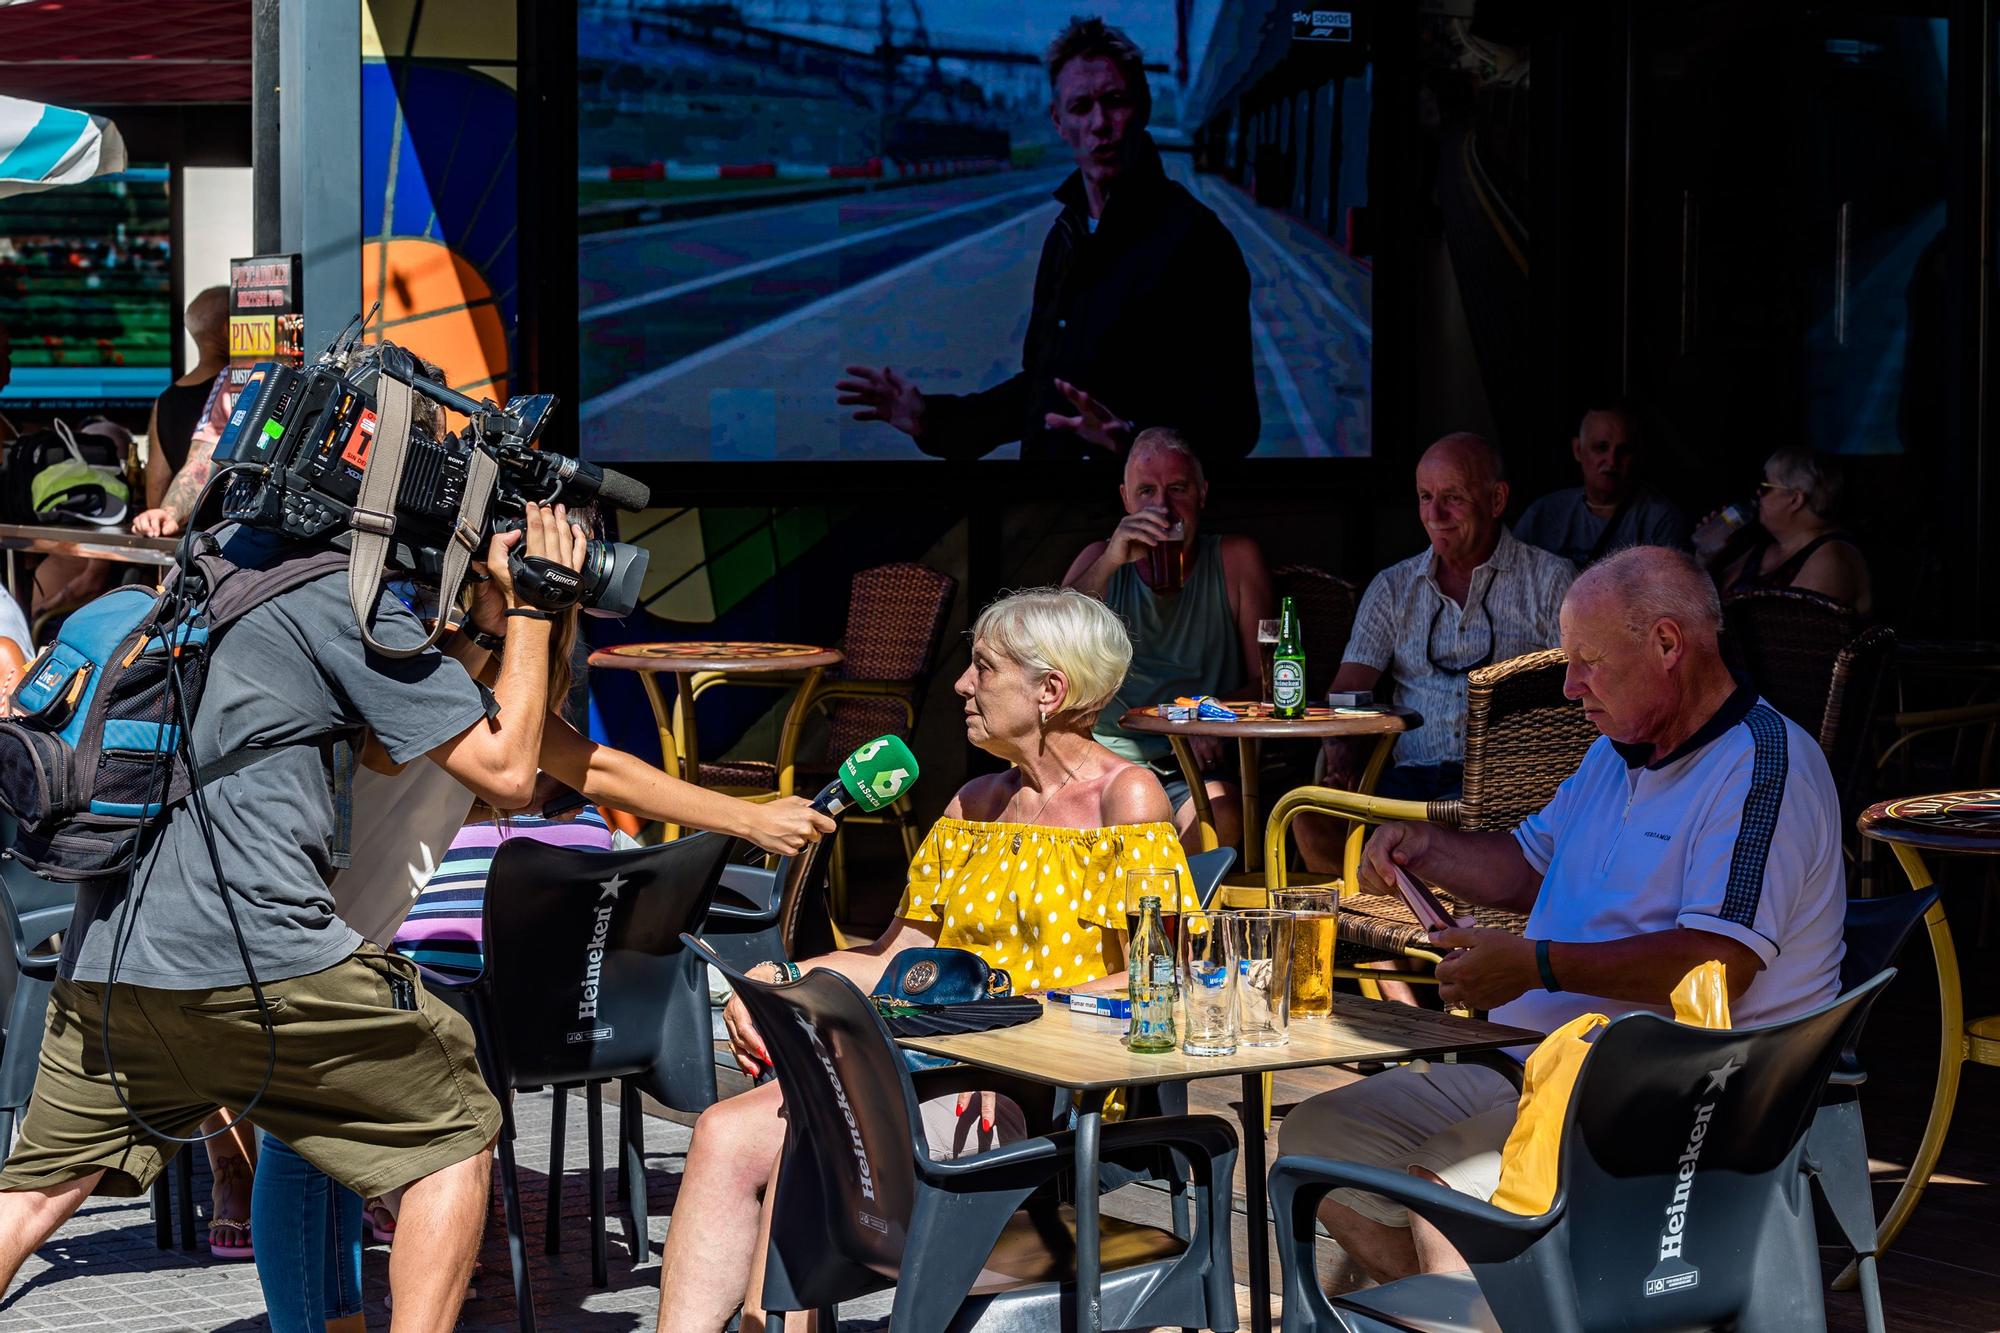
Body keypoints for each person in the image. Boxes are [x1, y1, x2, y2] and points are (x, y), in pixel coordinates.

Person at [0, 497, 589, 1328]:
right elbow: (508, 772)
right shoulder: (335, 594)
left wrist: (483, 622)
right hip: (269, 951)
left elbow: (391, 738)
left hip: (110, 953)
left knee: (25, 1202)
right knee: (457, 1133)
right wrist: (531, 606)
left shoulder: (199, 581)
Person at [1279, 547, 1847, 1286]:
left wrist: (1536, 964)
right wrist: (1427, 849)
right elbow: (1527, 863)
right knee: (1312, 1141)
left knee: (1443, 1196)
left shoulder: (1760, 765)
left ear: (1668, 644)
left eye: (1587, 661)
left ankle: (1488, 1301)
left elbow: (1718, 964)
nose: (1571, 686)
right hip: (1534, 1063)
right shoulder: (1618, 751)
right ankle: (1496, 1306)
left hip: (1669, 1100)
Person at [655, 587, 1202, 1333]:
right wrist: (788, 982)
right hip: (921, 1070)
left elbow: (1157, 975)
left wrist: (1000, 1018)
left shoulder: (1127, 796)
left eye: (983, 667)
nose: (961, 684)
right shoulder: (973, 801)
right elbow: (899, 956)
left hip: (1038, 1090)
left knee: (817, 1138)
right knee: (724, 1131)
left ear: (1050, 691)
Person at [836, 16, 1256, 463]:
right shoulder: (1067, 234)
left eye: (1114, 102)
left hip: (1134, 520)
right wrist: (932, 420)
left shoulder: (1200, 243)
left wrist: (1133, 445)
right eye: (1081, 108)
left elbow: (1234, 426)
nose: (1099, 123)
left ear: (1144, 107)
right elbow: (1042, 390)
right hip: (1046, 511)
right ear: (1058, 121)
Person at [1298, 434, 1574, 877]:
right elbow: (1348, 691)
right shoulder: (1393, 587)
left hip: (1508, 792)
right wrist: (1340, 750)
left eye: (1452, 498)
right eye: (1425, 497)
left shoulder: (1550, 580)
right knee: (1311, 821)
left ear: (1497, 499)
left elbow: (1578, 695)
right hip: (1409, 785)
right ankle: (1378, 927)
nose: (1434, 514)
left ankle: (1434, 917)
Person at [1063, 426, 1273, 853]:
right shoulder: (1098, 561)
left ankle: (1166, 916)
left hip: (1195, 766)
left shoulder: (1234, 559)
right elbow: (1046, 646)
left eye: (1177, 489)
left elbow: (1269, 682)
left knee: (1222, 814)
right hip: (1107, 761)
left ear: (1201, 494)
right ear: (1125, 499)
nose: (1162, 507)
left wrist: (1210, 716)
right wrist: (1109, 560)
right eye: (1146, 491)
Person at [1513, 401, 1688, 567]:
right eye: (1601, 448)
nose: (1612, 461)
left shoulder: (1659, 520)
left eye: (1623, 450)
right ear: (1578, 450)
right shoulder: (1544, 515)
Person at [1710, 446, 1872, 616]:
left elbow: (1789, 630)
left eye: (1765, 487)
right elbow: (1712, 605)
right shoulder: (1767, 549)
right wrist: (1709, 557)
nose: (1758, 493)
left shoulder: (1831, 557)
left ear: (1794, 500)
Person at [146, 286, 229, 511]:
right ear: (227, 328)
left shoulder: (165, 401)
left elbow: (156, 493)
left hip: (188, 531)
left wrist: (166, 515)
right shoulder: (238, 388)